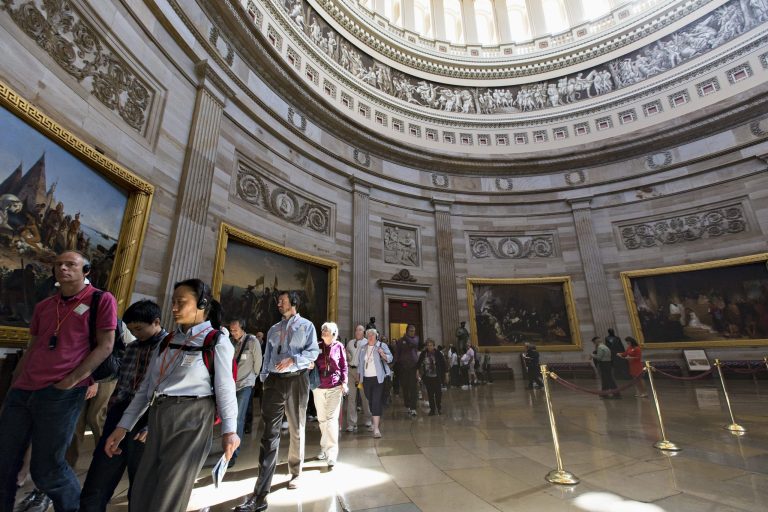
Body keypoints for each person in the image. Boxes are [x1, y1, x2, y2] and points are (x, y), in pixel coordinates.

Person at [104, 279, 239, 512]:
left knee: (171, 488)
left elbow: (226, 389)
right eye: (173, 302)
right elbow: (147, 388)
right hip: (159, 413)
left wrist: (230, 431)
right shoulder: (168, 340)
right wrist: (123, 426)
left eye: (181, 302)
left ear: (202, 304)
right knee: (145, 485)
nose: (174, 308)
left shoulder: (216, 340)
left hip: (193, 416)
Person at [0, 250, 117, 512]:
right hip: (23, 391)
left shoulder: (101, 299)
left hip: (61, 393)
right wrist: (13, 387)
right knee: (4, 462)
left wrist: (72, 380)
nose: (62, 268)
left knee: (48, 469)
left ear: (85, 271)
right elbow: (33, 348)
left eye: (70, 264)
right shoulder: (44, 305)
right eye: (58, 264)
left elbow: (106, 346)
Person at [79, 300, 167, 512]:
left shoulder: (169, 346)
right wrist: (112, 409)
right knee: (101, 472)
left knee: (140, 480)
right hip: (120, 413)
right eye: (131, 329)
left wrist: (150, 425)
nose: (136, 334)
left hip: (148, 414)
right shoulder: (133, 347)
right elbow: (123, 383)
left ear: (156, 322)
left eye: (139, 329)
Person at [236, 291, 319, 512]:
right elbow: (268, 356)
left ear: (294, 302)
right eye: (278, 301)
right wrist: (264, 378)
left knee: (297, 428)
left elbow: (313, 352)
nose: (278, 303)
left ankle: (295, 472)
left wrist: (294, 360)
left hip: (297, 380)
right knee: (268, 434)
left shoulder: (307, 326)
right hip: (273, 382)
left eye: (282, 300)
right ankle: (261, 490)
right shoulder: (273, 329)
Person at [67, 323, 135, 468]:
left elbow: (120, 347)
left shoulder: (116, 323)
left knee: (96, 417)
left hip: (106, 375)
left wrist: (96, 380)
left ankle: (106, 457)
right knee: (75, 421)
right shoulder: (83, 315)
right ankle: (68, 464)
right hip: (81, 374)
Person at [228, 318, 263, 467]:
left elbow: (258, 362)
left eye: (235, 330)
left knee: (238, 418)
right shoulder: (230, 341)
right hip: (231, 384)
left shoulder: (252, 341)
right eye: (231, 330)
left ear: (242, 328)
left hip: (245, 384)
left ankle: (233, 453)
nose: (233, 333)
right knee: (229, 417)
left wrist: (253, 378)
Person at [313, 322, 347, 467]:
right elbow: (311, 362)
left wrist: (344, 382)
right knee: (322, 419)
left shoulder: (339, 346)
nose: (324, 332)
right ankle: (324, 447)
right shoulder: (316, 346)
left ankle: (331, 453)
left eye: (327, 330)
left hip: (334, 387)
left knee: (332, 419)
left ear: (334, 334)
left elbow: (344, 365)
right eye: (323, 330)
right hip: (318, 387)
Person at [358, 329, 393, 438]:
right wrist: (359, 378)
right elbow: (360, 364)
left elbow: (390, 358)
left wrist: (383, 354)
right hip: (366, 379)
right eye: (368, 334)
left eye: (372, 334)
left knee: (376, 401)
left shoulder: (381, 345)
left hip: (379, 379)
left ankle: (376, 428)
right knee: (370, 400)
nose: (370, 336)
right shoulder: (363, 348)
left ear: (376, 336)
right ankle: (375, 418)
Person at [345, 324, 372, 432]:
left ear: (364, 332)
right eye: (356, 330)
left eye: (360, 330)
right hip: (350, 371)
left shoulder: (367, 342)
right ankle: (352, 423)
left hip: (361, 373)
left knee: (364, 397)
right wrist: (347, 354)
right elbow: (346, 354)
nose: (357, 332)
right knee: (351, 398)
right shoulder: (350, 342)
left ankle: (368, 419)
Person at [416, 339, 446, 416]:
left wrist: (446, 374)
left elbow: (443, 364)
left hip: (437, 376)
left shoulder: (438, 353)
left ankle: (439, 407)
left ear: (433, 345)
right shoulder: (423, 353)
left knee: (438, 393)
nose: (429, 347)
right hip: (428, 377)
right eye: (428, 345)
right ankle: (432, 409)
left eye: (431, 345)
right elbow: (418, 363)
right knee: (430, 394)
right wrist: (417, 372)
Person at [395, 324, 419, 416]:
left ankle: (413, 407)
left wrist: (406, 337)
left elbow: (414, 344)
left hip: (413, 366)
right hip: (403, 367)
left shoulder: (416, 339)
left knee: (413, 387)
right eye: (411, 331)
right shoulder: (401, 341)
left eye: (414, 331)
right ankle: (407, 405)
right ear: (407, 331)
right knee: (405, 387)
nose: (413, 332)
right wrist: (394, 364)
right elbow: (397, 353)